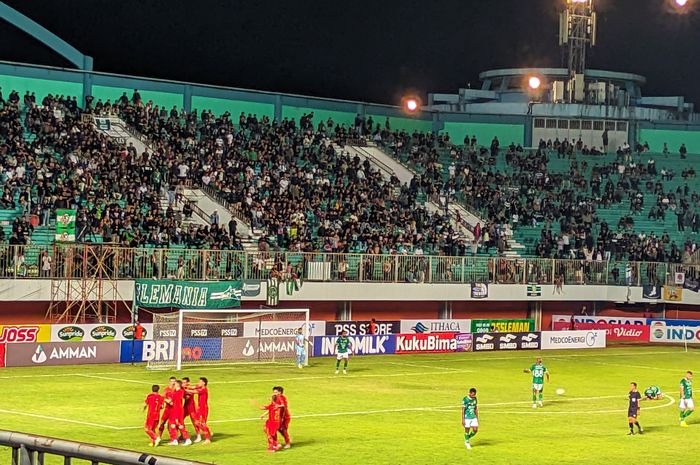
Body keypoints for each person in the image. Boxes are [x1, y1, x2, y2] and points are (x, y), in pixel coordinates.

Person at [165, 380, 192, 446]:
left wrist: (164, 399)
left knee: (180, 425)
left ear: (177, 385)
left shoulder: (178, 392)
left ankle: (188, 439)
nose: (174, 384)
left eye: (175, 384)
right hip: (174, 410)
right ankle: (175, 440)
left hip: (178, 410)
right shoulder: (177, 392)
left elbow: (172, 402)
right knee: (172, 425)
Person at [189, 377, 212, 444]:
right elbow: (192, 387)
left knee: (202, 423)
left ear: (204, 383)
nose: (198, 383)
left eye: (200, 382)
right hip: (200, 408)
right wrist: (185, 386)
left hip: (203, 409)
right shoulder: (199, 387)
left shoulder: (204, 389)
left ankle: (208, 439)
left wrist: (184, 390)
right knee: (196, 422)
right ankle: (208, 432)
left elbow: (194, 391)